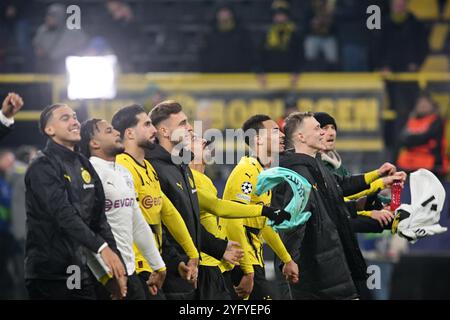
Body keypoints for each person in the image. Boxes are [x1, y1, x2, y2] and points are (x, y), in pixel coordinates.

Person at [272, 112, 404, 299]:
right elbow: (292, 226)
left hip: (331, 268)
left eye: (328, 128)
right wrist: (289, 260)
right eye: (318, 128)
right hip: (315, 274)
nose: (324, 133)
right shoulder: (294, 174)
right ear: (300, 136)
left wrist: (381, 178)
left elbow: (338, 194)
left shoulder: (314, 167)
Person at [25, 103, 126, 300]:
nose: (74, 122)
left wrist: (116, 265)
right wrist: (102, 248)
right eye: (65, 118)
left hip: (79, 269)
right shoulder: (42, 166)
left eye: (75, 117)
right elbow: (63, 214)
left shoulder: (83, 163)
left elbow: (100, 220)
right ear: (49, 130)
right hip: (50, 274)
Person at [148, 100, 244, 299]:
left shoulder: (181, 166)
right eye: (183, 123)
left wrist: (216, 249)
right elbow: (164, 226)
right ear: (164, 132)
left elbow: (189, 223)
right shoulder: (154, 168)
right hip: (170, 272)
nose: (190, 127)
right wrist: (178, 261)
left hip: (191, 270)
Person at [111, 104, 203, 300]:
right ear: (129, 133)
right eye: (147, 125)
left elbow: (167, 213)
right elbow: (132, 224)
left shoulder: (148, 168)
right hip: (137, 270)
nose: (153, 130)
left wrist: (191, 253)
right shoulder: (121, 169)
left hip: (153, 266)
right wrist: (155, 266)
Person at [188, 132, 291, 299]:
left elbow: (259, 224)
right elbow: (224, 212)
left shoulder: (205, 180)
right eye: (193, 139)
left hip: (223, 265)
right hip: (207, 267)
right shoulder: (189, 181)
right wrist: (247, 269)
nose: (205, 140)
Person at [79, 118, 167, 300]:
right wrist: (106, 277)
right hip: (104, 278)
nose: (117, 133)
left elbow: (136, 222)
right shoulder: (88, 175)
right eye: (109, 131)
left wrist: (158, 265)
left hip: (130, 270)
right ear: (94, 143)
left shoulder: (123, 172)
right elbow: (84, 232)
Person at [222, 114, 299, 300]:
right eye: (275, 131)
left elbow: (264, 224)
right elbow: (232, 221)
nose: (282, 136)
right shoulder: (246, 171)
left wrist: (286, 259)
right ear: (258, 139)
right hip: (241, 261)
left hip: (255, 259)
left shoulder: (264, 174)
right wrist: (247, 271)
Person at [396, 93, 448, 180]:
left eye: (425, 103)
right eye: (420, 103)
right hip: (408, 163)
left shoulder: (437, 121)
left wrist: (413, 138)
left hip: (431, 164)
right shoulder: (411, 120)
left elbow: (426, 137)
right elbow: (402, 139)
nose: (422, 106)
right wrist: (417, 138)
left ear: (432, 106)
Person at [199, 5, 254, 72]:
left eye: (226, 13)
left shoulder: (242, 34)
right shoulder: (209, 34)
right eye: (222, 13)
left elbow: (249, 54)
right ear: (217, 15)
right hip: (214, 75)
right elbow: (203, 56)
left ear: (232, 15)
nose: (224, 16)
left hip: (238, 75)